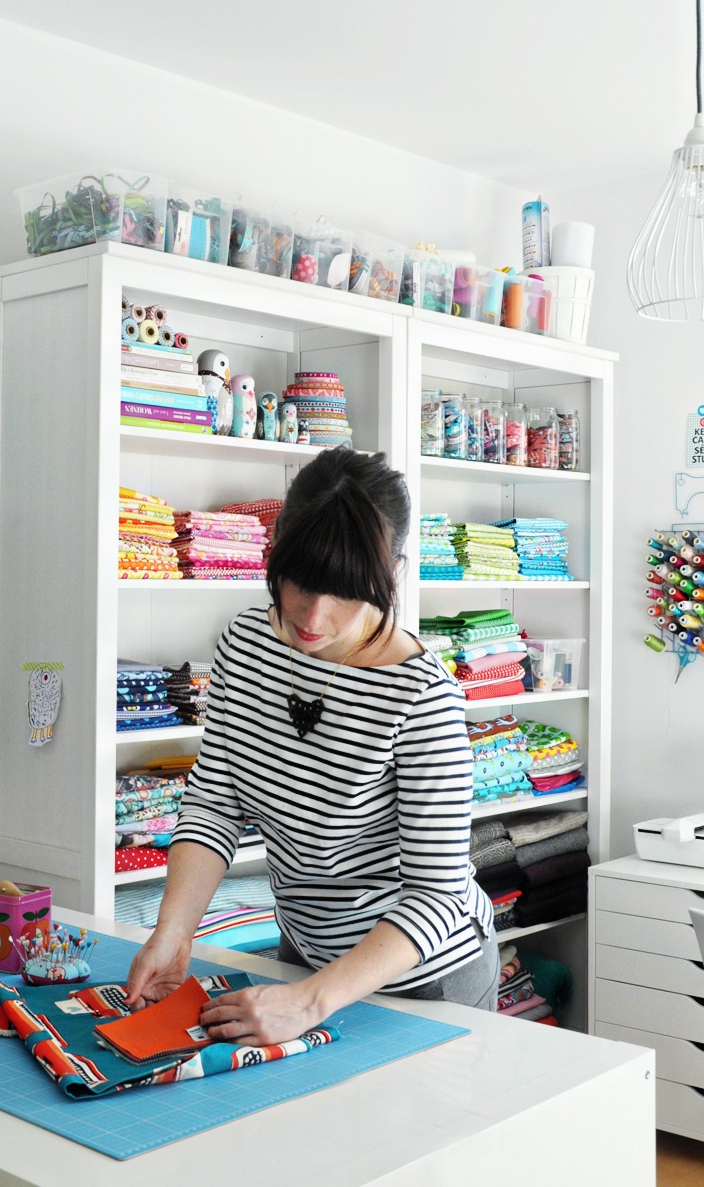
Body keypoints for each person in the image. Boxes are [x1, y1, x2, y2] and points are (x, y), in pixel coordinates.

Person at [125, 447, 498, 1046]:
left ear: (394, 573)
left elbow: (438, 896)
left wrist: (309, 1001)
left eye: (345, 591)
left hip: (423, 979)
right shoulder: (245, 645)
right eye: (300, 581)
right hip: (303, 956)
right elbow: (215, 802)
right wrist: (174, 931)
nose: (314, 617)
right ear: (277, 549)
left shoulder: (421, 696)